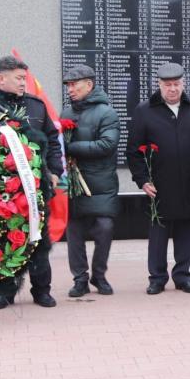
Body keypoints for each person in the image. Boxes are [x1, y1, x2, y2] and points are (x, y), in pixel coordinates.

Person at [0, 56, 63, 309]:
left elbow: (52, 140)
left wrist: (55, 171)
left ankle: (42, 290)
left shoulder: (35, 106)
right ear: (1, 78)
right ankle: (4, 291)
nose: (23, 83)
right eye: (18, 78)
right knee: (0, 238)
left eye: (24, 78)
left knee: (38, 237)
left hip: (35, 185)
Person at [127, 62, 190, 295]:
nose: (172, 89)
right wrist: (142, 180)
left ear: (183, 84)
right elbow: (133, 151)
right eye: (167, 85)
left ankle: (183, 276)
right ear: (159, 85)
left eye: (176, 84)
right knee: (158, 234)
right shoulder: (144, 111)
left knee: (186, 231)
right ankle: (157, 277)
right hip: (159, 185)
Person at [61, 65, 120, 297]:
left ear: (89, 85)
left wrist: (71, 148)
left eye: (75, 84)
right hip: (74, 185)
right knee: (74, 233)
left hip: (101, 184)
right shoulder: (66, 113)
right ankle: (80, 279)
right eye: (68, 85)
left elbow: (107, 145)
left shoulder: (107, 113)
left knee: (105, 228)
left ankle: (99, 275)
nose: (71, 89)